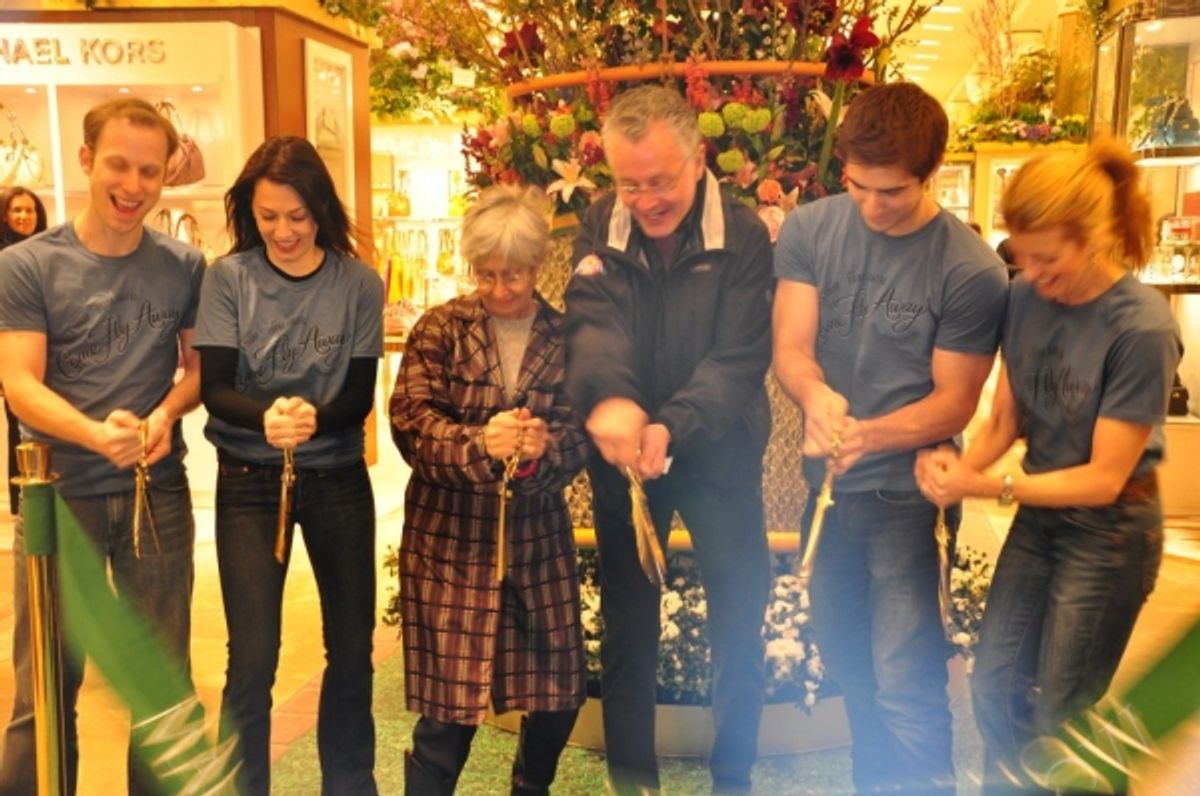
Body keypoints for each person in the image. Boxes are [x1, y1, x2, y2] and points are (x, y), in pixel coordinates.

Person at [914, 139, 1180, 794]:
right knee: (994, 688)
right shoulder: (1026, 300)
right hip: (1041, 521)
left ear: (1096, 236)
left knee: (1063, 714)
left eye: (1047, 258)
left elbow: (1103, 477)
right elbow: (1006, 421)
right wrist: (955, 472)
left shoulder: (1141, 328)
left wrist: (986, 484)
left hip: (1111, 533)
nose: (1031, 274)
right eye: (1020, 257)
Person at [772, 81, 1008, 794]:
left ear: (930, 173)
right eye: (858, 186)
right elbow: (791, 347)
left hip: (910, 499)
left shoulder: (969, 269)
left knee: (905, 676)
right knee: (849, 665)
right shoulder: (812, 229)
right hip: (831, 494)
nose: (872, 207)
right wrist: (814, 397)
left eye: (893, 192)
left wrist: (866, 435)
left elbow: (955, 403)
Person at [563, 84, 774, 794]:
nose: (646, 200)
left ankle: (733, 778)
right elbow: (593, 323)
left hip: (717, 452)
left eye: (661, 182)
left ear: (698, 159)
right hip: (624, 462)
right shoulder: (600, 221)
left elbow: (739, 357)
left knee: (739, 618)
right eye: (630, 184)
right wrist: (615, 400)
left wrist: (669, 423)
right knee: (628, 621)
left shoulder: (741, 235)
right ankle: (634, 782)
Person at [0, 97, 204, 795]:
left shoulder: (183, 265)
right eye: (119, 164)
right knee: (45, 688)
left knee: (161, 683)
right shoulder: (29, 266)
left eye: (150, 171)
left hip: (158, 497)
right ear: (86, 160)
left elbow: (197, 368)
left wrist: (167, 412)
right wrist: (94, 434)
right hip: (60, 502)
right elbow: (19, 383)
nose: (134, 185)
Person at [192, 135, 383, 796]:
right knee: (250, 658)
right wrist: (266, 419)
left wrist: (312, 420)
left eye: (297, 217)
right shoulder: (228, 278)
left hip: (336, 478)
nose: (283, 231)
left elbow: (358, 395)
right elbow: (215, 387)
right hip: (247, 479)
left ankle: (350, 786)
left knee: (352, 651)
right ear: (250, 211)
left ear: (321, 210)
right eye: (269, 216)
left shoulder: (359, 282)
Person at [390, 184, 587, 794]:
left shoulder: (565, 335)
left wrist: (543, 449)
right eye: (487, 275)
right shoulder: (439, 329)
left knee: (557, 684)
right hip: (449, 537)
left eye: (517, 276)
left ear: (539, 266)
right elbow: (411, 423)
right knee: (449, 704)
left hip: (536, 535)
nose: (501, 289)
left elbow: (581, 432)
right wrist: (481, 443)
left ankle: (531, 785)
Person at [0, 186, 48, 516]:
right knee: (19, 428)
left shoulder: (46, 253)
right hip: (11, 354)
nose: (24, 216)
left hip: (45, 353)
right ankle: (24, 504)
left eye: (30, 210)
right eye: (17, 210)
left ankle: (41, 495)